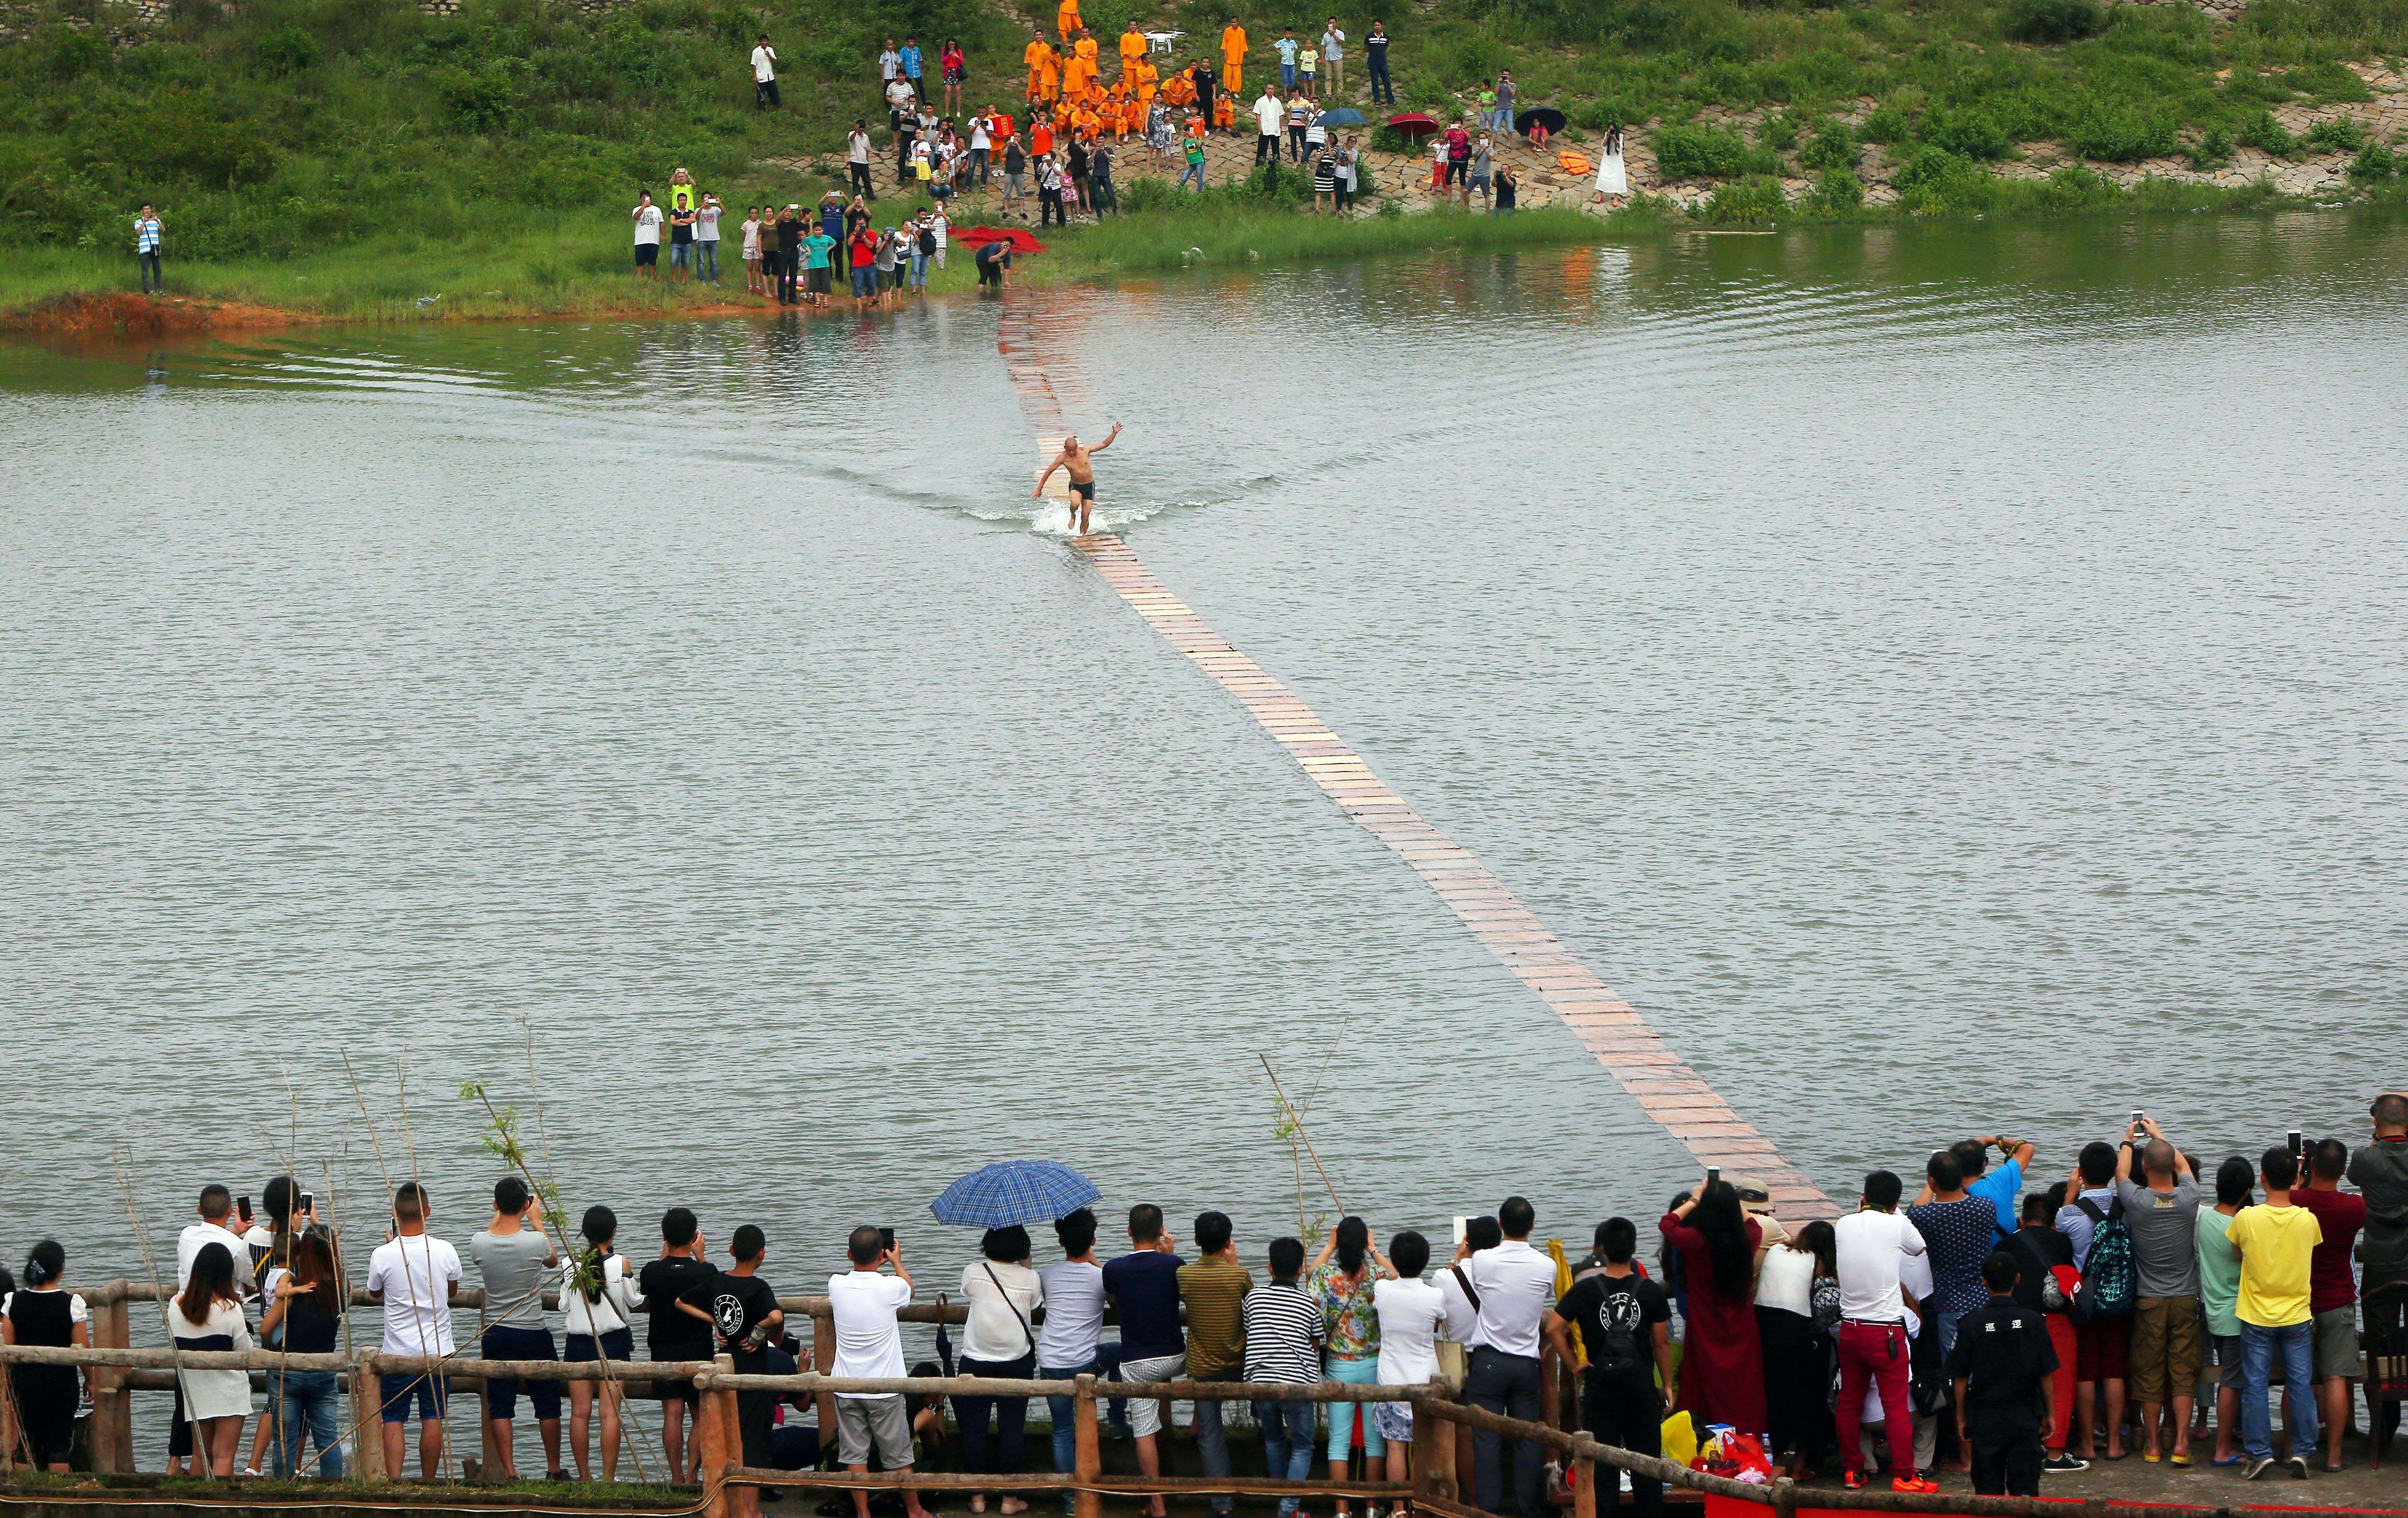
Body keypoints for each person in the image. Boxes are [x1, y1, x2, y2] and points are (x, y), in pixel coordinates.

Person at [1545, 1219, 1671, 1518]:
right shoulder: (1650, 1290)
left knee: (1603, 1467)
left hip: (1601, 1386)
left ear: (1601, 1250)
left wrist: (1575, 1365)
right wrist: (1666, 1385)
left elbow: (1553, 1328)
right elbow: (1662, 1343)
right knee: (1648, 1465)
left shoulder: (1586, 1289)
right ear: (1635, 1249)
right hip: (1641, 1386)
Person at [1834, 1169, 1936, 1493]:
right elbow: (1918, 1248)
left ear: (1863, 1197)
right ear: (1894, 1203)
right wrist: (1897, 1215)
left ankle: (1853, 1470)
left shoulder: (1843, 1223)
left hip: (1851, 1330)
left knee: (1849, 1401)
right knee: (1895, 1405)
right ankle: (1905, 1476)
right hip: (1886, 1332)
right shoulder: (1896, 1222)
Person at [2228, 1144, 2322, 1479]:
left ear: (2262, 1177)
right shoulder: (2307, 1219)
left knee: (2254, 1384)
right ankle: (2301, 1450)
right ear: (2296, 1177)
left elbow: (2236, 1251)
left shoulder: (2247, 1217)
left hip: (2255, 1314)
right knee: (2300, 1383)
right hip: (2296, 1314)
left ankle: (2258, 1452)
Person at [2111, 1119, 2202, 1466]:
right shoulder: (2189, 1197)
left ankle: (2151, 1443)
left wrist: (2127, 1140)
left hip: (2148, 1299)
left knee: (2148, 1371)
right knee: (2182, 1371)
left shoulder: (2136, 1200)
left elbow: (2120, 1171)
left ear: (2144, 1167)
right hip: (2184, 1297)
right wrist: (2159, 1135)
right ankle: (2180, 1442)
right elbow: (2180, 1163)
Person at [1462, 1196, 1559, 1518]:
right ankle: (1528, 1509)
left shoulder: (1483, 1260)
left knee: (1486, 1439)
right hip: (1525, 1364)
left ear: (1500, 1224)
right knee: (1527, 1438)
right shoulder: (1548, 1266)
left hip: (1488, 1361)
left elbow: (1479, 1285)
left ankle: (1488, 1509)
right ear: (1532, 1226)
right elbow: (1543, 1298)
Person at [675, 1227, 781, 1518]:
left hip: (724, 1369)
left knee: (725, 1438)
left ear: (732, 1251)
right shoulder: (759, 1287)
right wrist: (759, 1331)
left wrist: (714, 1322)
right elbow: (777, 1316)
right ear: (762, 1254)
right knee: (754, 1441)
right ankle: (750, 1511)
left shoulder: (717, 1282)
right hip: (753, 1374)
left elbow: (681, 1301)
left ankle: (723, 1505)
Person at [828, 1227, 933, 1518]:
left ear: (849, 1255)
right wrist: (897, 1262)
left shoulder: (836, 1284)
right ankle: (915, 1511)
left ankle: (864, 1514)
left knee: (854, 1455)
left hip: (846, 1384)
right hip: (884, 1388)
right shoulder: (891, 1287)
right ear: (880, 1254)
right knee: (898, 1455)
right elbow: (909, 1289)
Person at [1659, 1176, 1767, 1441]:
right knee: (1743, 1386)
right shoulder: (1749, 1238)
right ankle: (1746, 1438)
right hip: (1741, 1327)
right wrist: (1730, 1197)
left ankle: (1707, 1440)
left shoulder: (1695, 1240)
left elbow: (1667, 1223)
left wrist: (1696, 1198)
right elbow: (1752, 1221)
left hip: (1704, 1326)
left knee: (1703, 1385)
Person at [472, 1177, 564, 1482]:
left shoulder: (479, 1242)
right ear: (526, 1205)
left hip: (497, 1332)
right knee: (548, 1402)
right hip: (532, 1330)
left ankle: (510, 1472)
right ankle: (553, 1468)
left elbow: (490, 1232)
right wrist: (536, 1221)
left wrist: (505, 1212)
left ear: (495, 1205)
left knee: (500, 1404)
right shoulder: (535, 1242)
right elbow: (553, 1261)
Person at [369, 1181, 460, 1480]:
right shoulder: (444, 1250)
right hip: (437, 1349)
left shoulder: (382, 1254)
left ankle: (394, 1480)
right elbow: (453, 1290)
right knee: (433, 1416)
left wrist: (389, 1244)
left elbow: (374, 1292)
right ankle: (429, 1480)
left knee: (393, 1417)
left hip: (397, 1350)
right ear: (428, 1212)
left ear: (396, 1214)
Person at [1946, 1251, 2057, 1497]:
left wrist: (1962, 1417)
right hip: (2025, 1415)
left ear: (1984, 1281)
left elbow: (1961, 1378)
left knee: (1987, 1491)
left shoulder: (1970, 1324)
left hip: (1986, 1417)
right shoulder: (2034, 1321)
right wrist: (2050, 1413)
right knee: (2025, 1491)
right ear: (2017, 1279)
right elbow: (2046, 1373)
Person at [1102, 1204, 1184, 1518]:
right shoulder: (1174, 1264)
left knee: (1144, 1432)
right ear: (1162, 1231)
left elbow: (1111, 1298)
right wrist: (1169, 1254)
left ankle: (1157, 1504)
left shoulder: (1114, 1268)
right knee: (1162, 1396)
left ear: (1128, 1232)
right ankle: (1176, 1451)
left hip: (1138, 1362)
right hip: (1176, 1357)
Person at [956, 1226, 1043, 1514]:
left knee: (973, 1429)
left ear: (987, 1245)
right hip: (1017, 1361)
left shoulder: (973, 1271)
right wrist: (1026, 1265)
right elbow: (1034, 1304)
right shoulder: (1031, 1278)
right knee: (1012, 1428)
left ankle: (978, 1498)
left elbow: (969, 1292)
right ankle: (1009, 1500)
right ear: (1022, 1248)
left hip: (975, 1360)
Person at [1309, 1219, 1391, 1517]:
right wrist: (1374, 1248)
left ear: (1340, 1244)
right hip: (1372, 1364)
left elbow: (1311, 1273)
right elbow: (1396, 1274)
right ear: (1364, 1245)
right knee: (1374, 1441)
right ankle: (1372, 1506)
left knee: (1339, 1442)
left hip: (1339, 1366)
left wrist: (1329, 1246)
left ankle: (1342, 1510)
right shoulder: (1377, 1278)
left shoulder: (1326, 1277)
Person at [2291, 1138, 2364, 1471]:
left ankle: (2294, 1447)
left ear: (2310, 1166)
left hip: (2298, 1302)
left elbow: (2284, 1199)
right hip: (2338, 1301)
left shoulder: (2295, 1200)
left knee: (2298, 1377)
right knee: (2335, 1378)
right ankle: (2334, 1454)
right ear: (2344, 1170)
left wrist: (2296, 1175)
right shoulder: (2354, 1207)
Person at [2056, 1140, 2131, 1462]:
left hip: (2083, 1302)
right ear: (2114, 1172)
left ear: (2081, 1172)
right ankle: (2114, 1443)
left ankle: (2086, 1443)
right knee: (2114, 1370)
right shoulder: (2125, 1208)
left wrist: (2070, 1195)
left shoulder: (2068, 1214)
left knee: (2085, 1372)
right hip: (2119, 1297)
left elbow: (2060, 1246)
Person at [1242, 1236, 1325, 1518]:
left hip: (1260, 1382)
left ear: (1269, 1268)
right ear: (1301, 1270)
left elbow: (1247, 1327)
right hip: (1296, 1383)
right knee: (1303, 1445)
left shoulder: (1253, 1298)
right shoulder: (1308, 1303)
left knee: (1274, 1441)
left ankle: (1282, 1502)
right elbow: (1316, 1343)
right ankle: (1289, 1509)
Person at [1177, 1212, 1252, 1518]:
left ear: (1196, 1241)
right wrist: (1234, 1265)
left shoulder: (1184, 1275)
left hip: (1202, 1367)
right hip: (1239, 1365)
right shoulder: (1239, 1274)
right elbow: (1256, 1304)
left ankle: (1221, 1506)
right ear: (1228, 1242)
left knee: (1210, 1435)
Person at [561, 1206, 642, 1482]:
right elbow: (633, 1301)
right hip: (614, 1344)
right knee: (610, 1414)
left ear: (585, 1234)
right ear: (614, 1232)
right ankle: (608, 1479)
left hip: (578, 1344)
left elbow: (563, 1305)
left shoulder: (569, 1264)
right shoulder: (622, 1263)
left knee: (579, 1414)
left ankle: (585, 1478)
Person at [1371, 1231, 1446, 1510]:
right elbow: (1438, 1323)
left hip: (1391, 1376)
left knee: (1395, 1447)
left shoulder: (1383, 1290)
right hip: (1425, 1377)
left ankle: (1399, 1509)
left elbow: (1391, 1278)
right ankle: (1423, 1505)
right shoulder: (1434, 1295)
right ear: (1425, 1262)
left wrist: (1374, 1250)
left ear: (1396, 1261)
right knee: (1425, 1447)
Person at [261, 1228, 344, 1477]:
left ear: (301, 1254)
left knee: (284, 1439)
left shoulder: (293, 1289)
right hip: (323, 1370)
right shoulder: (339, 1290)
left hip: (288, 1371)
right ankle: (334, 1491)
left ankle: (284, 1490)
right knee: (328, 1436)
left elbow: (265, 1330)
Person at [1754, 1220, 1833, 1479]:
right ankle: (1800, 1466)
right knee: (1808, 1398)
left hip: (1764, 1327)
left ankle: (1775, 1460)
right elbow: (1823, 1312)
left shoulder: (1777, 1250)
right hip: (1797, 1331)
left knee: (1774, 1396)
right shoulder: (1816, 1262)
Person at [640, 1208, 715, 1482]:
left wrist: (665, 1253)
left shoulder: (652, 1272)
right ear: (695, 1236)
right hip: (698, 1348)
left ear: (664, 1237)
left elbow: (654, 1277)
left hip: (663, 1348)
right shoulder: (706, 1272)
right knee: (698, 1415)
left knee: (672, 1414)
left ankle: (676, 1476)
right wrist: (701, 1256)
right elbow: (713, 1287)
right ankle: (694, 1475)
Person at [4, 1241, 89, 1473]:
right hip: (60, 1384)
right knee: (59, 1443)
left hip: (24, 1382)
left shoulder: (13, 1302)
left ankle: (25, 1495)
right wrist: (91, 1379)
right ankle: (59, 1497)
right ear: (61, 1269)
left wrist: (9, 1384)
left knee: (26, 1444)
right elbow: (82, 1350)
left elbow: (8, 1349)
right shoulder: (72, 1304)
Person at [171, 1242, 253, 1476]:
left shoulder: (175, 1306)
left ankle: (196, 1505)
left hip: (196, 1388)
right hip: (228, 1389)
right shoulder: (230, 1308)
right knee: (223, 1455)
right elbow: (244, 1351)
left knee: (200, 1455)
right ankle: (220, 1505)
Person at [2351, 1093, 2408, 1432]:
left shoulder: (2364, 1157)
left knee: (2378, 1345)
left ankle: (2383, 1428)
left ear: (2375, 1123)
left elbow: (2357, 1176)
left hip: (2379, 1262)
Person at [1908, 1150, 1999, 1363]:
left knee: (1955, 1368)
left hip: (1950, 1305)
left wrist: (1929, 1184)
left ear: (1932, 1180)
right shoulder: (1985, 1207)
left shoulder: (1924, 1216)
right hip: (1984, 1300)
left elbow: (1915, 1210)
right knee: (1986, 1364)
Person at [2195, 1157, 2253, 1468]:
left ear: (2216, 1187)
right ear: (2246, 1192)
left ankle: (2231, 1437)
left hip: (2213, 1311)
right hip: (2236, 1315)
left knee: (2228, 1378)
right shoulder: (2240, 1227)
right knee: (2232, 1382)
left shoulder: (2204, 1219)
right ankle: (2222, 1447)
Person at [1032, 422, 1121, 534]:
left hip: (1089, 486)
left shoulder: (1086, 451)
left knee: (1085, 516)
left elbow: (1104, 444)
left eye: (1073, 450)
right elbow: (1049, 471)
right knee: (1075, 504)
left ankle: (1082, 536)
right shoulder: (1062, 458)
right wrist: (1039, 489)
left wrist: (1114, 433)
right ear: (1065, 448)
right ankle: (1073, 515)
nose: (1071, 452)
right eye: (1069, 450)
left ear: (1077, 447)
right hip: (1076, 486)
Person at [803, 217, 837, 306]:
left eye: (820, 230)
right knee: (815, 283)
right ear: (813, 230)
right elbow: (803, 244)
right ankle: (817, 299)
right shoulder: (810, 239)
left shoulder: (827, 238)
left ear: (823, 230)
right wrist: (809, 250)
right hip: (813, 264)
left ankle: (826, 300)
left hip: (825, 264)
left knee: (826, 283)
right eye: (816, 230)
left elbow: (834, 243)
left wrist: (828, 249)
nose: (818, 232)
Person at [134, 202, 165, 293]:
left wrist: (157, 220)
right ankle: (147, 290)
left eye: (148, 209)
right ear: (142, 211)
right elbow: (138, 232)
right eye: (145, 209)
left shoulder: (156, 221)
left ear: (151, 210)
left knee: (158, 269)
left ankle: (159, 289)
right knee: (145, 270)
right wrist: (145, 222)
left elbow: (163, 229)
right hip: (144, 249)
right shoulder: (139, 221)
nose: (147, 211)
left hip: (155, 249)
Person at [632, 191, 663, 278]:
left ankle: (652, 279)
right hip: (640, 241)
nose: (646, 199)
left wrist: (663, 236)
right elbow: (636, 217)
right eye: (643, 198)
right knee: (640, 262)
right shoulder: (637, 209)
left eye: (647, 197)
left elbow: (662, 223)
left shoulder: (657, 210)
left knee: (652, 262)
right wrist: (643, 207)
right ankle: (640, 279)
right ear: (641, 199)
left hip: (653, 240)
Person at [1364, 21, 1392, 104]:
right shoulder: (1369, 36)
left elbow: (1386, 46)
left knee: (1386, 81)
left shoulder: (1386, 37)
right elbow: (1366, 47)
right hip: (1373, 62)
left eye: (1379, 25)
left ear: (1382, 26)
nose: (1377, 27)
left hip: (1383, 62)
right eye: (1376, 25)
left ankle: (1391, 99)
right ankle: (1377, 100)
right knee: (1375, 82)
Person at [751, 34, 779, 108]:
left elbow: (775, 61)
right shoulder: (756, 52)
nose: (764, 43)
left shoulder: (770, 50)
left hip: (770, 77)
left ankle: (777, 107)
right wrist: (754, 76)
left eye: (766, 42)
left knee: (774, 94)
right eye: (763, 42)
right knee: (761, 96)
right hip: (761, 78)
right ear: (760, 42)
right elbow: (753, 65)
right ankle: (762, 110)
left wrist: (769, 56)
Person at [740, 207, 764, 294]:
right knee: (750, 267)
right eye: (752, 213)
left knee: (757, 267)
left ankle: (758, 286)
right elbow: (743, 236)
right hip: (748, 248)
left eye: (756, 213)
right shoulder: (746, 224)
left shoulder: (761, 224)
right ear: (749, 214)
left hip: (758, 248)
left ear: (758, 214)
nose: (754, 215)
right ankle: (750, 286)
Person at [1179, 121, 1208, 190]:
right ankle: (1178, 191)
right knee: (1184, 178)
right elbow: (1184, 152)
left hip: (1199, 161)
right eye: (1187, 131)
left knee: (1199, 178)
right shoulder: (1185, 141)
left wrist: (1194, 137)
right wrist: (1186, 162)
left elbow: (1199, 145)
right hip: (1190, 163)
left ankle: (1199, 192)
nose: (1189, 132)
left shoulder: (1198, 138)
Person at [1468, 133, 1492, 209]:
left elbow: (1491, 157)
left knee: (1486, 195)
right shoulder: (1476, 148)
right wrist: (1479, 149)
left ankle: (1487, 212)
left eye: (1484, 138)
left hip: (1485, 175)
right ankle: (1466, 207)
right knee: (1465, 191)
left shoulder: (1491, 149)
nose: (1482, 140)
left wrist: (1485, 150)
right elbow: (1473, 155)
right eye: (1481, 138)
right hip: (1475, 174)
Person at [941, 38, 965, 115]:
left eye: (953, 44)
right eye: (950, 44)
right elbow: (943, 61)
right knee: (948, 92)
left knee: (958, 92)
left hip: (957, 72)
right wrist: (949, 55)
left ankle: (959, 111)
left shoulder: (959, 51)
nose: (952, 46)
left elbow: (962, 61)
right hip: (948, 72)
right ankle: (947, 111)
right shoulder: (944, 50)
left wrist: (957, 56)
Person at [1321, 19, 1345, 94]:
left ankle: (1340, 92)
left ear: (1336, 23)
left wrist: (1334, 35)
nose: (1332, 24)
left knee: (1339, 77)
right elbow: (1323, 47)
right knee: (1328, 77)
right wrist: (1322, 58)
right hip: (1328, 58)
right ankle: (1328, 93)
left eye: (1333, 23)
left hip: (1337, 57)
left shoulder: (1340, 33)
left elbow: (1341, 42)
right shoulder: (1326, 35)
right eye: (1330, 23)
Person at [900, 36, 924, 101]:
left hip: (917, 72)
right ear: (907, 42)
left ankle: (924, 102)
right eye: (910, 42)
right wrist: (904, 73)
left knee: (921, 87)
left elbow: (920, 61)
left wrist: (921, 72)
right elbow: (901, 63)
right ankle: (909, 102)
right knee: (908, 89)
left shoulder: (917, 50)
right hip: (908, 73)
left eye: (913, 42)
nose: (911, 43)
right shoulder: (903, 51)